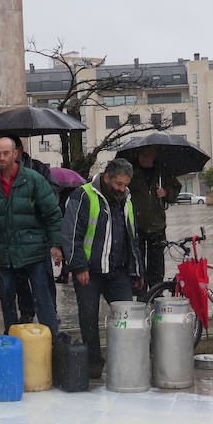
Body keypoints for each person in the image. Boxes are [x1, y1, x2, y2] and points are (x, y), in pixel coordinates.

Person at [0, 137, 63, 336]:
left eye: (5, 153)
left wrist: (56, 245)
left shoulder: (34, 180)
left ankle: (51, 341)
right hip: (5, 254)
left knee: (43, 298)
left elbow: (52, 214)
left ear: (15, 154)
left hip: (34, 251)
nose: (1, 158)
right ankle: (11, 341)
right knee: (7, 297)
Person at [61, 158, 143, 378]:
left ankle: (126, 362)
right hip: (89, 271)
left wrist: (136, 270)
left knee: (126, 317)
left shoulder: (126, 199)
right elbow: (70, 235)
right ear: (106, 178)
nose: (122, 188)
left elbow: (132, 236)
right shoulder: (84, 195)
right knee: (89, 318)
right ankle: (93, 363)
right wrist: (79, 267)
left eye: (125, 184)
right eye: (118, 184)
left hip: (118, 271)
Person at [9, 136, 60, 321]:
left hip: (39, 235)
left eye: (10, 151)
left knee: (44, 279)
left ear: (20, 150)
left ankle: (50, 313)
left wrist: (36, 199)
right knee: (20, 279)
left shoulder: (38, 167)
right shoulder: (1, 173)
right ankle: (27, 313)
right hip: (16, 236)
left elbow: (53, 194)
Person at [127, 145, 181, 297]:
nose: (144, 157)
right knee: (137, 259)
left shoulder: (162, 172)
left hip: (157, 224)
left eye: (148, 154)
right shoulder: (131, 172)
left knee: (157, 262)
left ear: (154, 156)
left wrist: (166, 192)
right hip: (136, 224)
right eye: (142, 154)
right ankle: (140, 292)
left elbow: (176, 189)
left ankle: (156, 291)